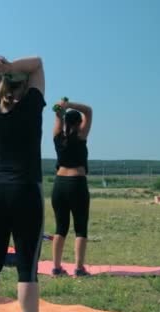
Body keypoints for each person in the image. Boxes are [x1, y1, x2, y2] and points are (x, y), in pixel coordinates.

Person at [0, 56, 60, 312]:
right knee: (27, 268)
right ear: (25, 87)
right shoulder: (33, 107)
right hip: (25, 192)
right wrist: (9, 67)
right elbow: (38, 63)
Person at [50, 100, 93, 277]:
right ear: (78, 123)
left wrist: (61, 108)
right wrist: (70, 104)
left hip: (59, 184)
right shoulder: (81, 135)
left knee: (61, 227)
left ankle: (56, 267)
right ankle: (78, 268)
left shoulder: (57, 135)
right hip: (77, 183)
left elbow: (58, 116)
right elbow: (88, 111)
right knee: (80, 227)